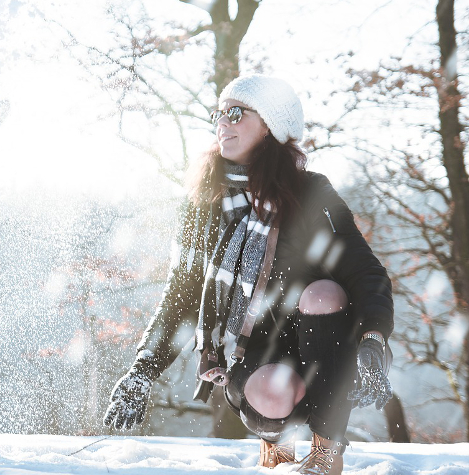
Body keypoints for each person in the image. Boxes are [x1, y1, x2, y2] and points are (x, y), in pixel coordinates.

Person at [102, 74, 394, 475]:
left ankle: (327, 452)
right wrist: (142, 370)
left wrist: (373, 340)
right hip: (251, 355)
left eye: (236, 113)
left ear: (272, 124)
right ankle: (278, 444)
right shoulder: (204, 200)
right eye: (218, 114)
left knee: (324, 292)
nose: (223, 123)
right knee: (273, 395)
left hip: (323, 349)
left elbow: (367, 273)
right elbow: (181, 295)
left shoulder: (310, 193)